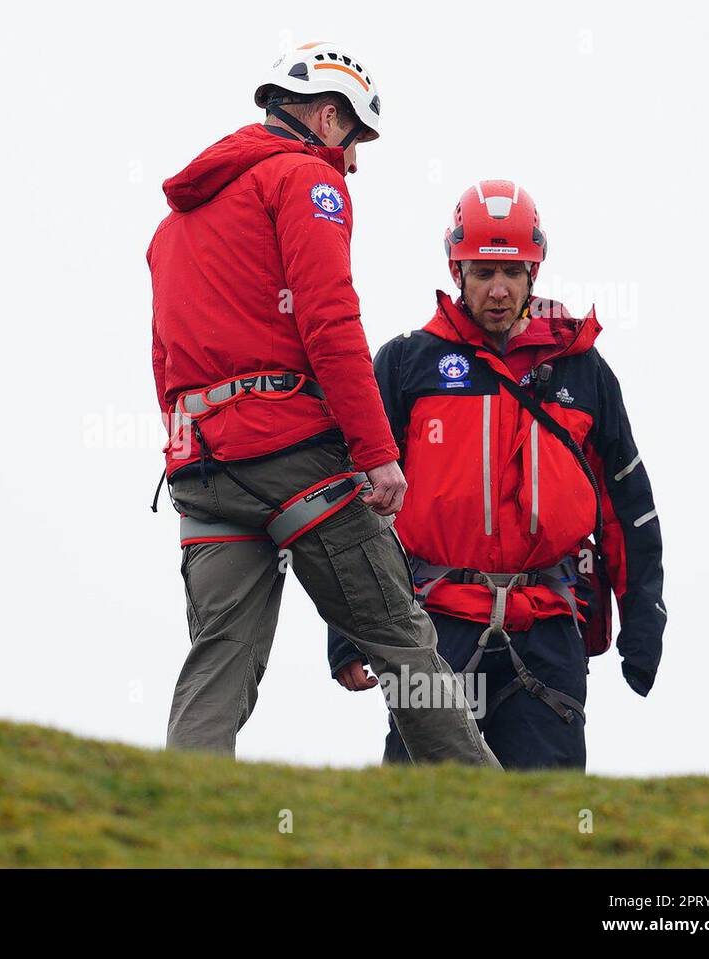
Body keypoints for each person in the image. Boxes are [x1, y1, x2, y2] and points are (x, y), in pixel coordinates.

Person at [148, 42, 498, 766]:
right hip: (296, 462)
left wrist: (193, 447)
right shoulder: (308, 180)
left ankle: (177, 819)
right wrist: (377, 454)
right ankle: (490, 817)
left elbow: (165, 355)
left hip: (202, 471)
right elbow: (330, 321)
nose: (356, 163)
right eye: (357, 139)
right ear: (329, 116)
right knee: (404, 643)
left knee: (218, 663)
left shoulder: (176, 222)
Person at [328, 180, 665, 769]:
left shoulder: (583, 372)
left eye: (513, 272)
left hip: (551, 625)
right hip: (431, 628)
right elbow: (354, 505)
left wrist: (643, 623)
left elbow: (628, 505)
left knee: (548, 821)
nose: (499, 290)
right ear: (457, 269)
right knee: (416, 816)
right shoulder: (406, 364)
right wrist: (349, 635)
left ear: (536, 271)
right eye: (483, 271)